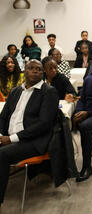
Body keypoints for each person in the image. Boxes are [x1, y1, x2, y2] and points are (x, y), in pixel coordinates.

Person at [0, 60, 59, 206]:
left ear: (43, 72)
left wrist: (12, 138)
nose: (35, 71)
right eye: (31, 68)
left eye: (38, 69)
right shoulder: (15, 91)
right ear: (25, 71)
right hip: (9, 138)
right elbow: (3, 117)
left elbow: (44, 124)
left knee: (2, 155)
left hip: (33, 141)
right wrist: (1, 135)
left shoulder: (48, 92)